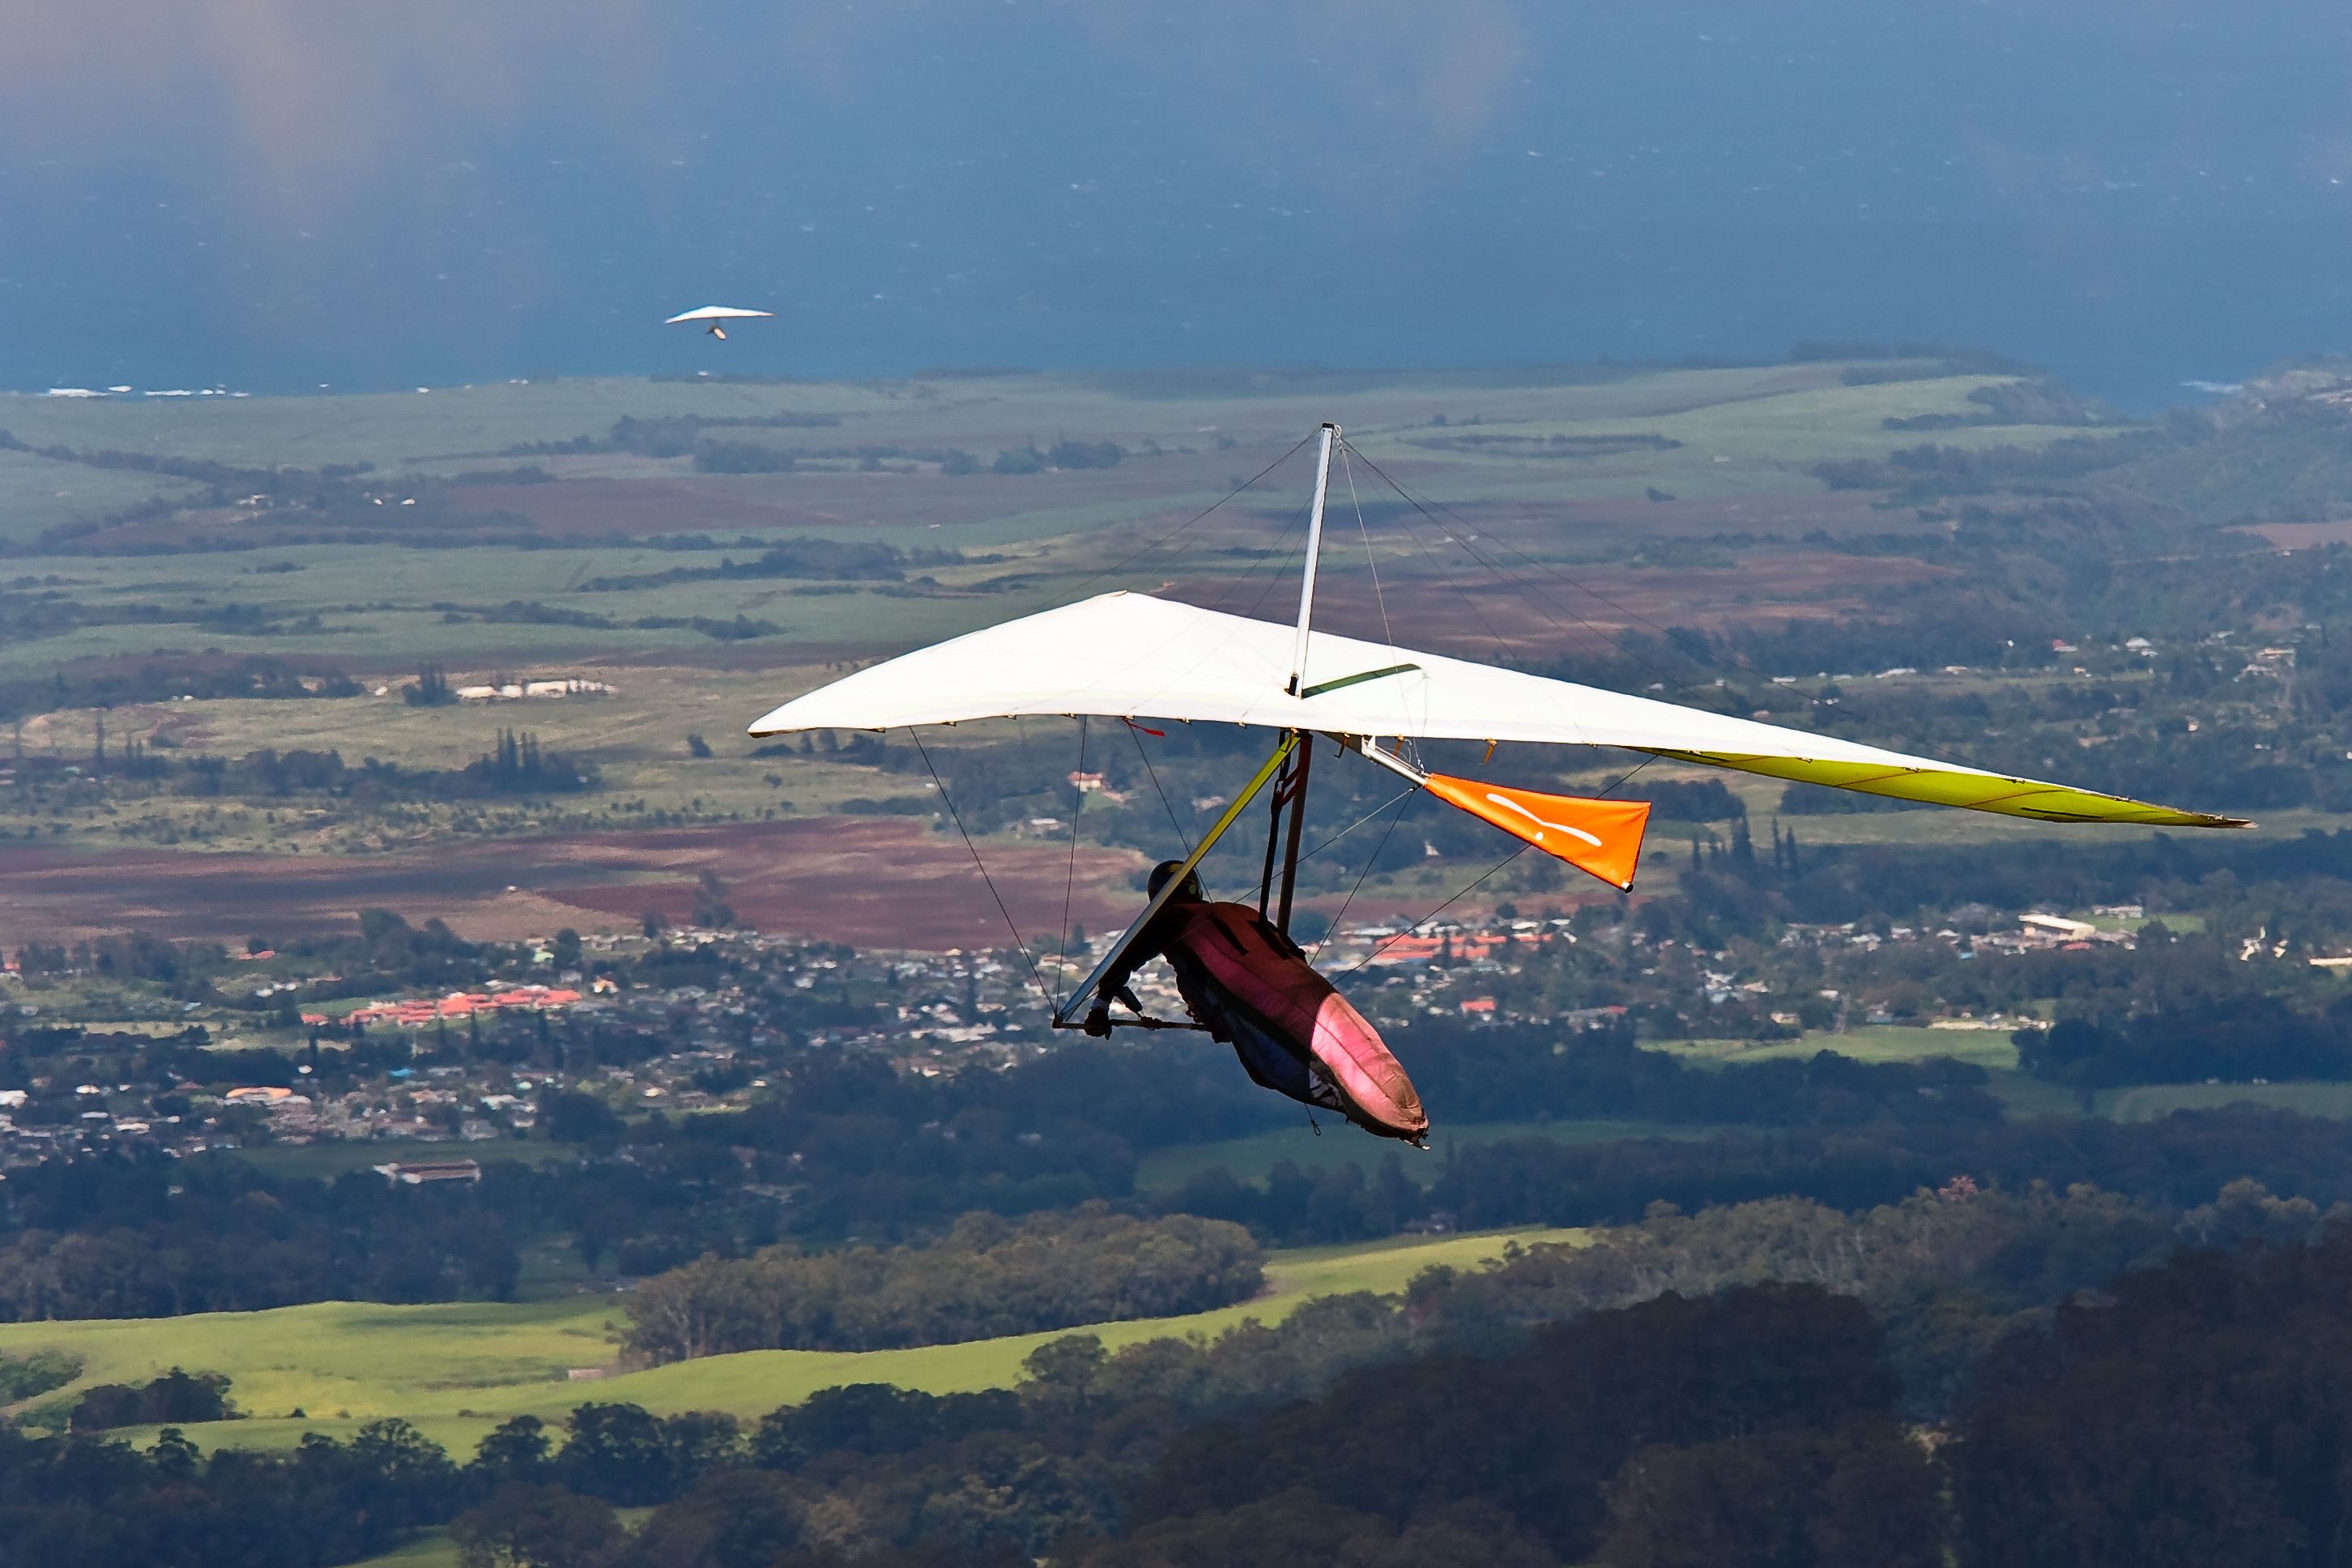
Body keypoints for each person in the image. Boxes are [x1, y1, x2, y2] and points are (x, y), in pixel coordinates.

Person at [1084, 861, 1429, 1144]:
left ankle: (1392, 1120)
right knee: (1351, 1042)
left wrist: (1100, 1006)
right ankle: (1402, 1116)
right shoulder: (1237, 910)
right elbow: (1292, 951)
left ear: (1157, 899)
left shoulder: (1171, 918)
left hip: (1255, 996)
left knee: (1267, 1065)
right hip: (1305, 984)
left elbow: (1124, 958)